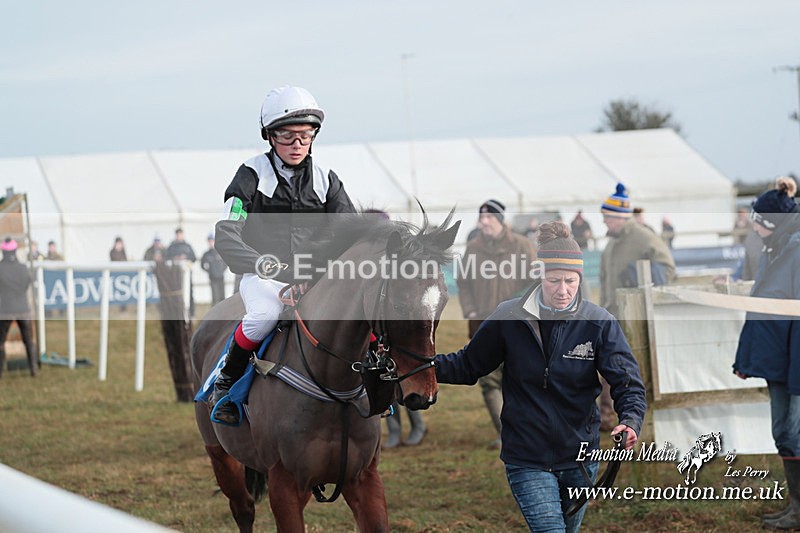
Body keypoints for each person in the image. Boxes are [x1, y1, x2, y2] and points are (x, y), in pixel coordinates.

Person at [435, 221, 646, 532]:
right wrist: (419, 365)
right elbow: (467, 365)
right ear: (539, 275)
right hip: (526, 456)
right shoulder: (509, 317)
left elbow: (627, 382)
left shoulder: (599, 323)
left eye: (571, 281)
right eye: (554, 280)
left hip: (580, 458)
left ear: (580, 279)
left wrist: (630, 419)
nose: (563, 290)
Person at [210, 85, 355, 425]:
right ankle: (227, 381)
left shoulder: (326, 179)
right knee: (263, 315)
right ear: (270, 137)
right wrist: (258, 261)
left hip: (313, 276)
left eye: (304, 137)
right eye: (288, 136)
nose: (297, 145)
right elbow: (228, 231)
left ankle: (376, 386)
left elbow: (348, 228)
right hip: (265, 275)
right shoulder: (251, 174)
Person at [733, 176, 800, 529]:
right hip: (779, 357)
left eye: (758, 220)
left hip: (794, 359)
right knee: (784, 432)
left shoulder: (795, 250)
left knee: (793, 429)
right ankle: (796, 507)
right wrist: (749, 357)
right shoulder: (773, 248)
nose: (752, 225)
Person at [456, 199, 536, 449]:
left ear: (500, 221)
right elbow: (463, 282)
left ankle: (528, 429)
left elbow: (536, 282)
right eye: (481, 219)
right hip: (483, 325)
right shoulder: (472, 249)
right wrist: (469, 308)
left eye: (489, 218)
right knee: (489, 380)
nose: (483, 223)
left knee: (520, 377)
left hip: (519, 325)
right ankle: (506, 434)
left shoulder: (523, 246)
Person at [599, 183, 675, 431]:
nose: (604, 222)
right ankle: (606, 416)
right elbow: (604, 282)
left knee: (633, 371)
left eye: (607, 217)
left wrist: (641, 277)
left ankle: (639, 417)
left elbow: (668, 270)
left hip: (637, 321)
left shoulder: (644, 238)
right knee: (607, 369)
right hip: (611, 318)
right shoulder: (609, 247)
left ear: (620, 216)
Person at [0, 238, 38, 378]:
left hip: (5, 310)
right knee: (29, 341)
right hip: (23, 308)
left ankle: (0, 372)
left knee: (1, 342)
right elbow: (27, 283)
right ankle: (34, 369)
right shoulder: (22, 267)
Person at [166, 228, 197, 318]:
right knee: (176, 294)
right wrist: (175, 258)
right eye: (178, 234)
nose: (179, 236)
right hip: (175, 276)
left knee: (190, 293)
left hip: (187, 275)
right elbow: (167, 258)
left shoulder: (187, 246)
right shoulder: (171, 247)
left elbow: (194, 258)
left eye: (180, 234)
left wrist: (186, 257)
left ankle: (191, 313)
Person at [201, 233, 227, 306]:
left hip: (221, 277)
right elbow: (202, 265)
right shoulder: (206, 254)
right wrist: (209, 272)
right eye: (209, 241)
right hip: (213, 278)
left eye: (212, 241)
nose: (211, 243)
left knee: (222, 297)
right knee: (215, 297)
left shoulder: (220, 252)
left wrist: (222, 270)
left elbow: (226, 263)